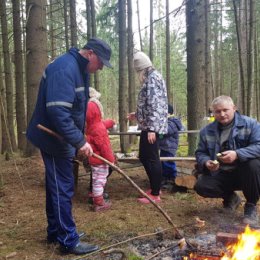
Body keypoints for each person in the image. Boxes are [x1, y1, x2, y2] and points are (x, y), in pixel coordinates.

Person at [26, 38, 112, 255]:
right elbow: (58, 112)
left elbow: (73, 109)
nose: (100, 67)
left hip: (62, 138)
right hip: (54, 139)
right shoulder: (65, 68)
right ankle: (67, 240)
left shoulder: (77, 68)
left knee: (57, 186)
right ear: (90, 53)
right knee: (62, 188)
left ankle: (56, 231)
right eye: (100, 62)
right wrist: (80, 141)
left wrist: (78, 138)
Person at [194, 95, 260, 226]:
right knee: (201, 186)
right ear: (213, 112)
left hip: (247, 173)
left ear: (234, 108)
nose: (222, 114)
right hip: (221, 173)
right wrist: (207, 162)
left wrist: (237, 154)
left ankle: (251, 207)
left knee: (253, 164)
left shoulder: (251, 124)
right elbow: (200, 153)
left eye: (225, 110)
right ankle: (231, 198)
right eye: (217, 111)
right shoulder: (206, 131)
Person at [128, 51, 168, 204]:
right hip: (148, 125)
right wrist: (137, 114)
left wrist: (151, 128)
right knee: (145, 156)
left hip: (152, 127)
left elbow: (155, 104)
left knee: (151, 158)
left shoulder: (152, 79)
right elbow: (149, 103)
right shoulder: (153, 77)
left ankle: (156, 193)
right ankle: (154, 187)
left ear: (141, 69)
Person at [85, 87, 115, 212]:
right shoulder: (99, 129)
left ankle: (95, 194)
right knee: (100, 180)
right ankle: (99, 202)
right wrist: (111, 160)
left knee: (97, 178)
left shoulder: (92, 125)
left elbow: (102, 123)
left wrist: (111, 122)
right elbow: (105, 147)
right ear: (98, 111)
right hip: (100, 160)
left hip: (94, 159)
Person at [159, 104, 183, 191]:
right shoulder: (167, 121)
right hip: (164, 146)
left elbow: (166, 131)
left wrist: (158, 128)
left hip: (169, 147)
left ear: (168, 113)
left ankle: (171, 179)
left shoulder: (173, 122)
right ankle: (165, 179)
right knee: (163, 163)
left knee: (168, 163)